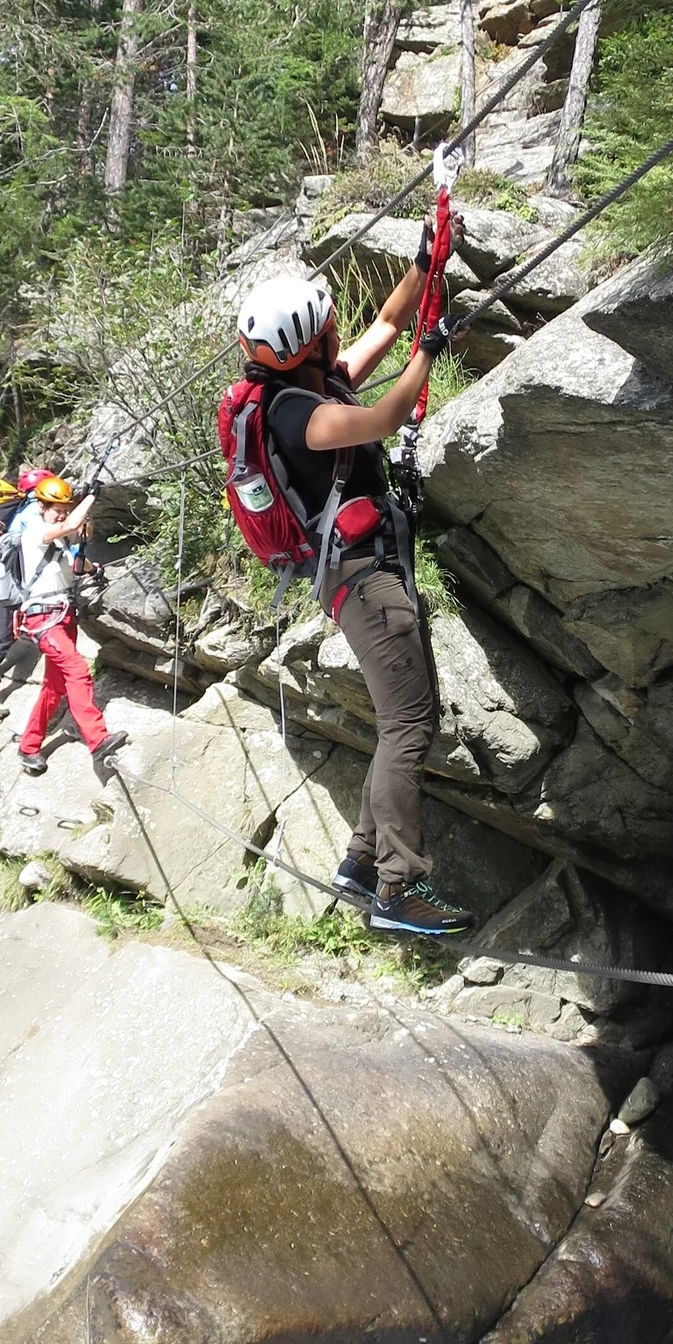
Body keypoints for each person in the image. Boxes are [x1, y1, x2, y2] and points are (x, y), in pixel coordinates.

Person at [236, 245, 471, 939]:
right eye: (329, 325)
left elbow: (388, 324)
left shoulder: (313, 386)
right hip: (366, 584)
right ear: (310, 340)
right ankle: (397, 888)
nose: (341, 330)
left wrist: (427, 266)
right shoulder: (298, 417)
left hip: (362, 580)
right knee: (408, 726)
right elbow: (389, 415)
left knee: (398, 724)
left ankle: (362, 865)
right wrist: (432, 351)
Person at [8, 473, 129, 779]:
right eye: (55, 509)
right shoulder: (35, 531)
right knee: (77, 671)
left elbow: (73, 563)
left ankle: (29, 746)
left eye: (64, 509)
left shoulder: (58, 542)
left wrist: (94, 570)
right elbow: (71, 525)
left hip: (62, 618)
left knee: (54, 686)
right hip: (44, 620)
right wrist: (90, 498)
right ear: (42, 507)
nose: (60, 514)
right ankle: (98, 739)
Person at [0, 466, 48, 720]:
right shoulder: (34, 511)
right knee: (3, 634)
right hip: (0, 573)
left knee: (3, 630)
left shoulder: (20, 508)